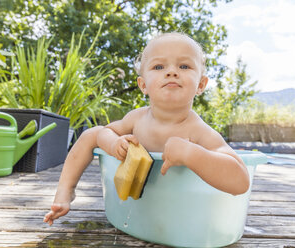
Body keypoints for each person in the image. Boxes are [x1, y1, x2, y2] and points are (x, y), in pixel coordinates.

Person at [43, 32, 249, 226]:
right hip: (136, 213)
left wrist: (190, 153)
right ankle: (65, 190)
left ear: (201, 85)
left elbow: (240, 181)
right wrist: (114, 143)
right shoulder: (137, 119)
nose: (171, 71)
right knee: (90, 133)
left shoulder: (199, 131)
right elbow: (102, 132)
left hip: (180, 217)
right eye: (159, 67)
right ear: (143, 85)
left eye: (184, 66)